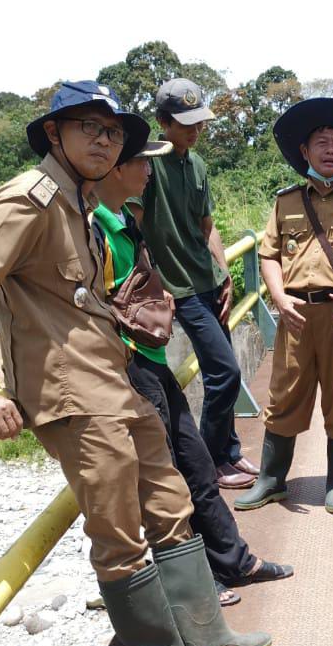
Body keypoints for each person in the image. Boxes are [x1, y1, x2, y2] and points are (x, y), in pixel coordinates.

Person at [0, 80, 270, 646]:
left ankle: (204, 633)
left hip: (114, 379)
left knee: (170, 502)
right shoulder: (27, 202)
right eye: (89, 127)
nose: (104, 140)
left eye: (113, 132)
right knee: (119, 529)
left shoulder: (80, 204)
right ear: (54, 134)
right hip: (71, 395)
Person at [91, 140, 293, 605]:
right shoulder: (95, 228)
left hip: (154, 361)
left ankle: (234, 561)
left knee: (198, 468)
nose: (148, 170)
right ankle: (196, 580)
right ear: (118, 168)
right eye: (141, 162)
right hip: (132, 366)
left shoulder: (123, 221)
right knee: (166, 483)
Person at [234, 98, 333, 515]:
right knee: (284, 394)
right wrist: (277, 294)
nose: (330, 149)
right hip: (296, 315)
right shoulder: (286, 201)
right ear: (304, 152)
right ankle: (272, 480)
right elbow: (268, 255)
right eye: (321, 142)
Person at [130, 78, 257, 491]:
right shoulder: (146, 165)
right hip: (179, 289)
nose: (195, 130)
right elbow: (134, 227)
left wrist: (224, 277)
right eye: (186, 124)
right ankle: (213, 460)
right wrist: (152, 281)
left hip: (207, 282)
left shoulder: (197, 165)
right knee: (225, 371)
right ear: (162, 122)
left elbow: (208, 226)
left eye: (200, 122)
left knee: (225, 372)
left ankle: (231, 451)